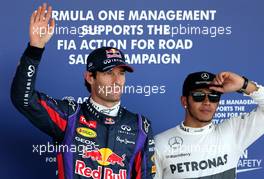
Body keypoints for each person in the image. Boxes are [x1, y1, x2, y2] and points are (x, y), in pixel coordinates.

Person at [11, 3, 156, 179]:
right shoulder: (69, 116)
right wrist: (35, 49)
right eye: (109, 73)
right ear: (90, 77)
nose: (117, 80)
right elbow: (23, 99)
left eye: (121, 73)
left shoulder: (140, 126)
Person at [154, 71, 264, 178]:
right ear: (184, 101)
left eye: (213, 96)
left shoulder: (233, 131)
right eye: (199, 95)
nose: (207, 102)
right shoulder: (160, 144)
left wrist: (243, 84)